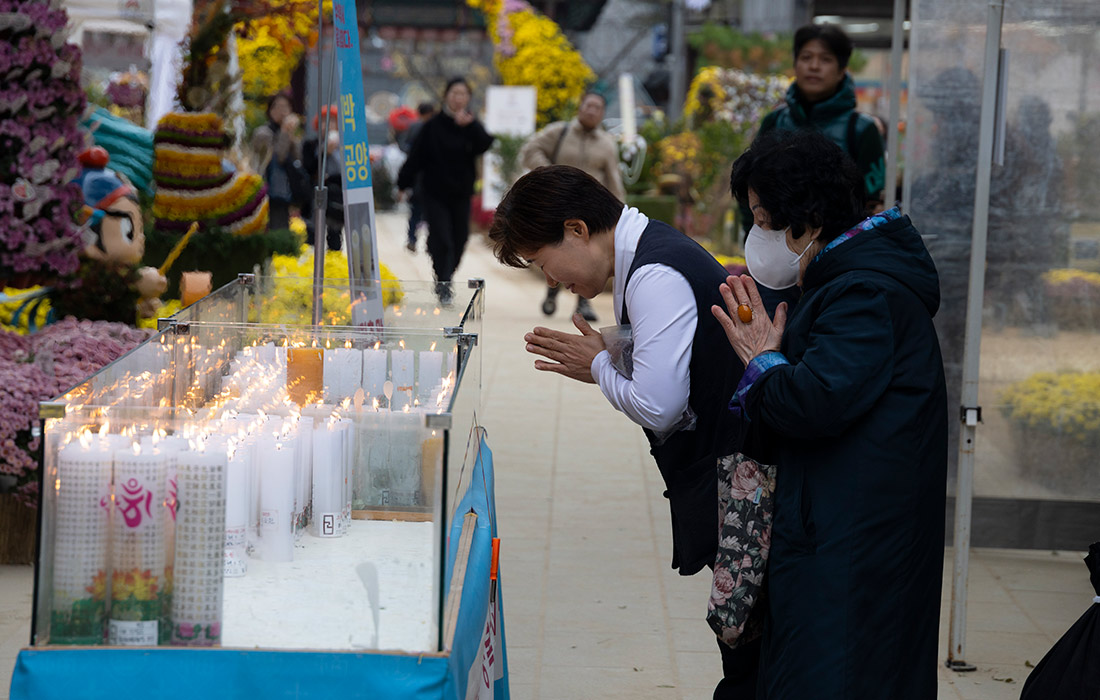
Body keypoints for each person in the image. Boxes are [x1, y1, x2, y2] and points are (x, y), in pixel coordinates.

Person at [488, 165, 759, 699]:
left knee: (751, 658)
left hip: (737, 480)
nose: (551, 281)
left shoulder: (654, 273)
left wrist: (599, 367)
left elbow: (658, 406)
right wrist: (613, 348)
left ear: (578, 229)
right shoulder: (651, 253)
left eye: (545, 263)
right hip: (729, 473)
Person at [714, 128, 948, 699]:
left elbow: (817, 401)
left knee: (839, 673)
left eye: (765, 219)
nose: (758, 235)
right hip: (839, 522)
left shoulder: (865, 293)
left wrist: (763, 360)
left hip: (855, 538)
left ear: (809, 221)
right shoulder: (843, 281)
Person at [753, 24, 886, 212]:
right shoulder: (774, 121)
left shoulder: (862, 129)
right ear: (795, 65)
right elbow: (752, 188)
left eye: (825, 59)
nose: (814, 66)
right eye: (806, 57)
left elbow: (870, 201)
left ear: (841, 71)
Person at [520, 91, 626, 323]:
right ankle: (552, 291)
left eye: (597, 107)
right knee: (555, 246)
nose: (591, 110)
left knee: (587, 253)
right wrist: (549, 173)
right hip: (558, 203)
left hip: (589, 208)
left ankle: (583, 303)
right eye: (588, 105)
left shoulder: (607, 144)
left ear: (602, 114)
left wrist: (621, 211)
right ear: (580, 107)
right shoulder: (559, 132)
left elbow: (613, 178)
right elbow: (529, 150)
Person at [397, 78, 494, 304]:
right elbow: (417, 157)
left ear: (468, 98)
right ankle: (443, 282)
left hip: (461, 193)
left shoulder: (471, 125)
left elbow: (485, 144)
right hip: (434, 191)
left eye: (463, 93)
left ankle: (447, 274)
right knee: (441, 237)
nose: (458, 97)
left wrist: (470, 126)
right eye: (454, 93)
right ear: (446, 96)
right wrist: (403, 183)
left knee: (460, 239)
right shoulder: (432, 126)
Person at [251, 92, 304, 231]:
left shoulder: (289, 134)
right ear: (270, 110)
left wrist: (291, 136)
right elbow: (279, 156)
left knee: (282, 230)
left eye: (285, 107)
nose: (282, 111)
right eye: (278, 107)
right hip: (265, 190)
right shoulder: (262, 133)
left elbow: (298, 159)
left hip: (284, 193)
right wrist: (285, 132)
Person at [302, 105, 344, 252]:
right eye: (324, 121)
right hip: (314, 197)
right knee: (312, 234)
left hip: (335, 200)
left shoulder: (344, 148)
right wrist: (323, 152)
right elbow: (308, 168)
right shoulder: (310, 145)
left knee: (334, 235)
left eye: (332, 121)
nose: (328, 125)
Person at [400, 101, 436, 253]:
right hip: (432, 179)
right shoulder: (435, 128)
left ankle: (412, 239)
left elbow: (404, 146)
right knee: (432, 214)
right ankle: (431, 243)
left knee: (415, 212)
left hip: (416, 179)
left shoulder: (414, 127)